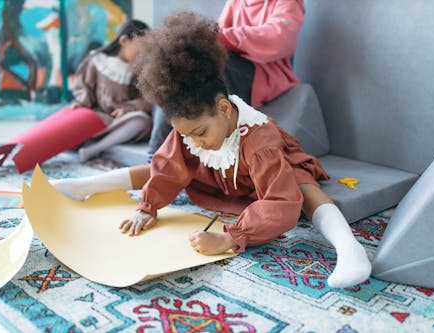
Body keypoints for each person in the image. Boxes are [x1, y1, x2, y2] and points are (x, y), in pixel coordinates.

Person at [51, 12, 371, 289]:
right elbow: (166, 166)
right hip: (226, 175)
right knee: (172, 165)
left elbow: (281, 204)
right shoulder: (195, 133)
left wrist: (233, 236)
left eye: (200, 131)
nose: (196, 141)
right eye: (187, 133)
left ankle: (348, 248)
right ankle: (85, 185)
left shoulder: (259, 142)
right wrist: (147, 207)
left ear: (224, 107)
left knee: (299, 186)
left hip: (268, 167)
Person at [147, 0, 305, 156]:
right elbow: (219, 32)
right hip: (234, 64)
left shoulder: (288, 2)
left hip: (266, 73)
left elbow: (275, 40)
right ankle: (157, 156)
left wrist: (223, 37)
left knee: (213, 62)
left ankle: (158, 156)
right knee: (177, 66)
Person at [71, 19, 153, 162]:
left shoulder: (138, 71)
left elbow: (147, 98)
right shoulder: (96, 60)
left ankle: (94, 149)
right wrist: (82, 102)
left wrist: (128, 108)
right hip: (98, 117)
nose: (143, 53)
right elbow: (83, 86)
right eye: (141, 47)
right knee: (74, 120)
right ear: (124, 40)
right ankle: (96, 142)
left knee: (143, 121)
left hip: (120, 122)